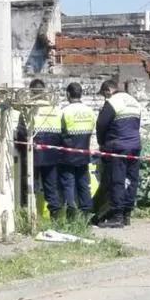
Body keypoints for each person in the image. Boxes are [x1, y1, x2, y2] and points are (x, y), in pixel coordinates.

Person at [94, 79, 142, 229]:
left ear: (108, 90)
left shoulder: (113, 101)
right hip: (135, 145)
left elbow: (101, 124)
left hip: (118, 147)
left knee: (118, 181)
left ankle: (117, 216)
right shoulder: (134, 101)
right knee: (132, 179)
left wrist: (101, 143)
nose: (105, 98)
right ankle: (127, 214)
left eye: (104, 95)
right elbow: (136, 125)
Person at [18, 79, 64, 221]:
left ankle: (30, 216)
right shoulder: (55, 109)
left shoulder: (28, 109)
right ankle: (55, 217)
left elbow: (21, 132)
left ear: (31, 92)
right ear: (44, 91)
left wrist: (21, 149)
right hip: (52, 154)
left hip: (33, 154)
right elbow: (62, 132)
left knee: (30, 185)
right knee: (51, 186)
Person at [59, 82, 96, 221]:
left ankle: (71, 213)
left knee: (68, 185)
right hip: (84, 153)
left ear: (68, 94)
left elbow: (59, 132)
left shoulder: (64, 111)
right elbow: (91, 130)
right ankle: (87, 213)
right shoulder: (90, 111)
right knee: (84, 184)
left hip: (67, 155)